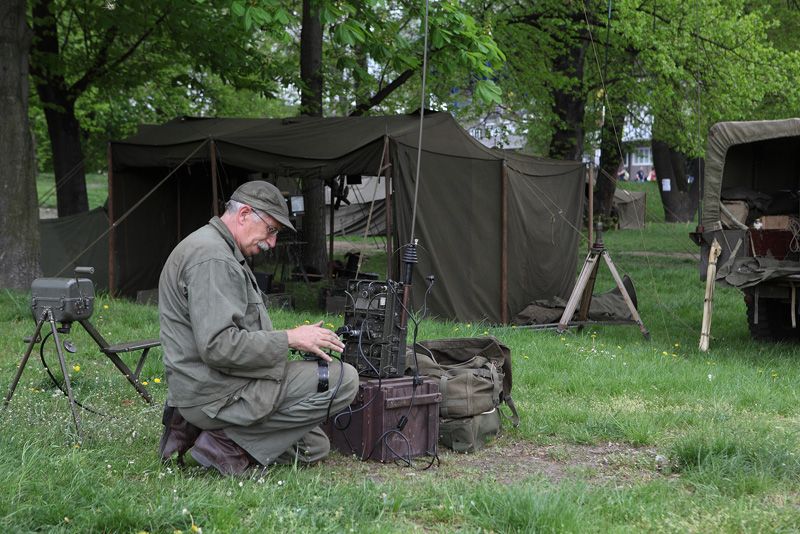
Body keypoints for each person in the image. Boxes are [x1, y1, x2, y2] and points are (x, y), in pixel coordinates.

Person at [158, 180, 359, 475]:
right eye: (271, 230)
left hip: (214, 385)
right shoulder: (213, 258)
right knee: (344, 378)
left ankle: (196, 431)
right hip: (216, 391)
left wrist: (291, 339)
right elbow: (218, 346)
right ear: (244, 214)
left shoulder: (214, 248)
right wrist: (290, 339)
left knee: (313, 447)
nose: (272, 242)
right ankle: (224, 443)